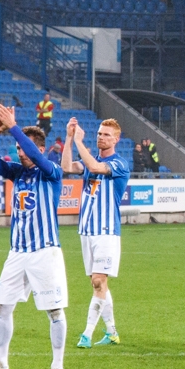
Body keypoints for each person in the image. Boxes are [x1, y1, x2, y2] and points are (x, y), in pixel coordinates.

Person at [0, 102, 69, 369]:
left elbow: (35, 155)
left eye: (23, 148)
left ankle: (57, 367)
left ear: (40, 149)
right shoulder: (17, 173)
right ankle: (0, 364)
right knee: (1, 306)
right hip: (17, 252)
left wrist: (13, 127)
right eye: (17, 148)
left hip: (45, 251)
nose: (20, 152)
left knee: (54, 310)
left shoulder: (51, 172)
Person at [62, 117, 131, 349]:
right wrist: (69, 138)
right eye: (100, 133)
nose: (101, 137)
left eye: (106, 134)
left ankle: (87, 334)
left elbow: (95, 168)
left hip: (106, 231)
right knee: (97, 284)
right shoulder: (90, 161)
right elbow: (66, 167)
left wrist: (79, 142)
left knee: (99, 280)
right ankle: (111, 332)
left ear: (116, 139)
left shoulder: (119, 164)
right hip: (87, 231)